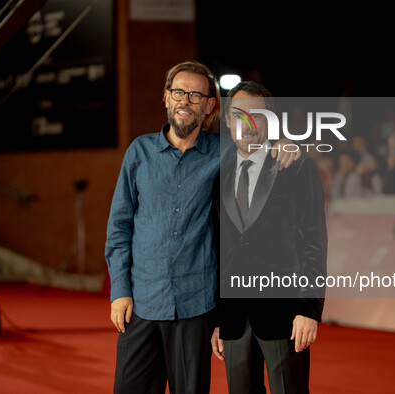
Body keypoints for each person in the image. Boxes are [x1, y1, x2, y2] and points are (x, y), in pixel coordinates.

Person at [105, 61, 300, 394]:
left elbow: (256, 142)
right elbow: (119, 229)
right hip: (142, 305)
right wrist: (120, 289)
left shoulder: (224, 152)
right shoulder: (138, 153)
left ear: (211, 106)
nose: (185, 101)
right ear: (166, 98)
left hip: (195, 309)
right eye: (178, 92)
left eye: (196, 95)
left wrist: (286, 144)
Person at [211, 81, 327, 394]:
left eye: (256, 115)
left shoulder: (295, 167)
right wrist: (218, 317)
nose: (246, 124)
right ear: (227, 121)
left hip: (284, 315)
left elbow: (313, 243)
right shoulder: (217, 174)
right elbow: (220, 249)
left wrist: (309, 309)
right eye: (238, 115)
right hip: (234, 319)